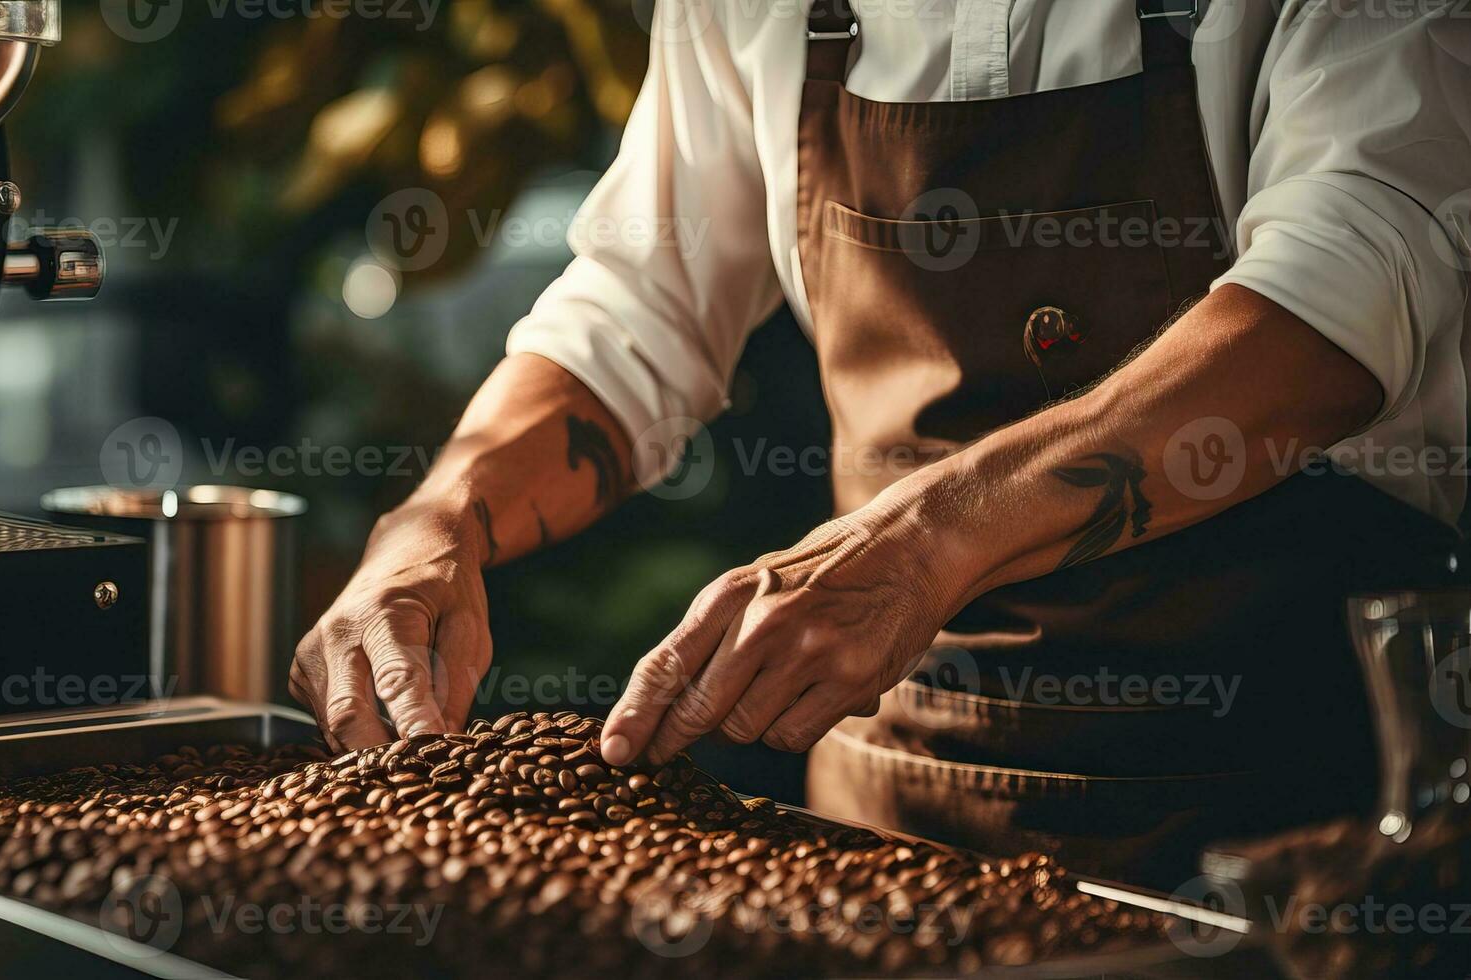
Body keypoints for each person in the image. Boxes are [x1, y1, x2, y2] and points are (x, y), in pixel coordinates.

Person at [291, 0, 1471, 886]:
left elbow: (1339, 295)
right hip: (879, 836)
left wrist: (926, 538)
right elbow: (635, 306)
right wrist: (439, 513)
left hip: (1300, 826)